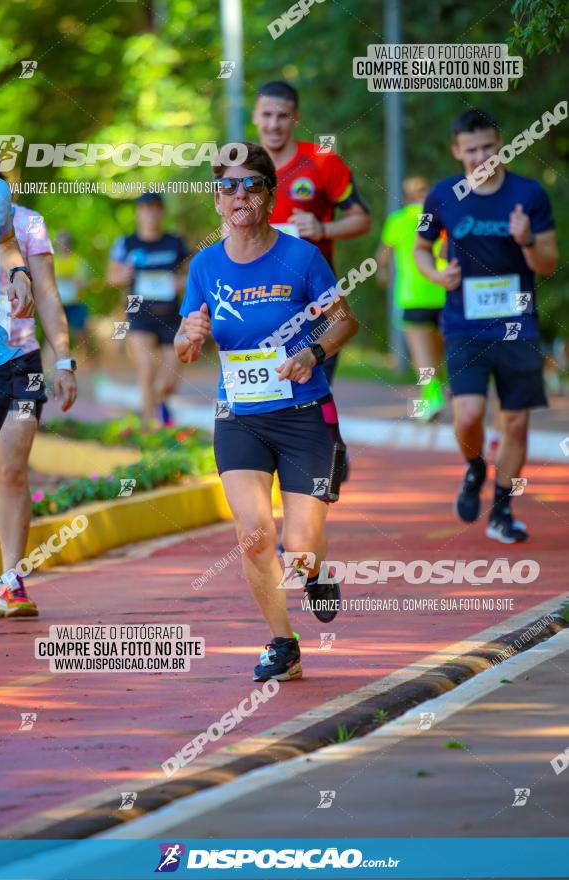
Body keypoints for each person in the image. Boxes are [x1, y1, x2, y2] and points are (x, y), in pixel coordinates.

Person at [174, 143, 358, 681]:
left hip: (304, 414)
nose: (239, 195)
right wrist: (190, 336)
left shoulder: (300, 256)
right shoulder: (205, 266)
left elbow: (343, 321)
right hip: (240, 419)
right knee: (253, 534)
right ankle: (283, 643)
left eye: (251, 185)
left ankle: (315, 569)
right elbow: (186, 348)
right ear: (216, 200)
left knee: (300, 547)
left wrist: (312, 352)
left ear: (270, 196)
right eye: (227, 186)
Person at [414, 109, 558, 543]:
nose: (481, 157)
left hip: (518, 322)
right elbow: (422, 249)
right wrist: (437, 274)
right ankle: (475, 466)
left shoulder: (529, 195)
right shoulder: (442, 196)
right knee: (469, 413)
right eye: (471, 149)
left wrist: (527, 239)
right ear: (457, 151)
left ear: (501, 145)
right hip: (464, 323)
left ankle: (502, 510)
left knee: (515, 423)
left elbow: (548, 264)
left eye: (488, 147)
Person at [0, 176, 77, 618]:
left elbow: (48, 292)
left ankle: (11, 579)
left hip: (22, 362)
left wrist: (63, 360)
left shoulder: (28, 224)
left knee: (9, 468)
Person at [252, 80, 370, 384]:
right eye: (267, 115)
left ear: (296, 119)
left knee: (315, 395)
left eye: (283, 116)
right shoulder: (243, 166)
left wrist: (322, 227)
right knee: (266, 397)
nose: (274, 124)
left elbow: (362, 220)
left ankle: (325, 431)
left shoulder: (321, 160)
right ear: (255, 116)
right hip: (256, 298)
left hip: (314, 301)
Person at [0, 129, 35, 617]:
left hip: (7, 358)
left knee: (8, 470)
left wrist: (19, 273)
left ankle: (11, 580)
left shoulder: (3, 205)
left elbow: (6, 244)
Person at [107, 192, 189, 424]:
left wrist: (180, 282)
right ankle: (148, 428)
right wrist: (124, 274)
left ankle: (159, 402)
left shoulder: (175, 242)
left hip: (171, 316)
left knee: (169, 382)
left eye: (155, 208)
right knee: (146, 369)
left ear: (162, 212)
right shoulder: (126, 243)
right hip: (139, 315)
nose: (151, 213)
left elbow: (192, 276)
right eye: (146, 208)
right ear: (138, 213)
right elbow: (112, 277)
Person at [376, 177, 446, 421]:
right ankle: (432, 398)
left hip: (411, 296)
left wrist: (383, 274)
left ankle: (433, 395)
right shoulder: (440, 216)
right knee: (437, 353)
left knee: (422, 357)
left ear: (405, 197)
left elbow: (382, 258)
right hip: (444, 292)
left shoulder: (397, 220)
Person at [52, 230, 90, 355]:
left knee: (81, 337)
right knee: (53, 337)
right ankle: (48, 370)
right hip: (57, 305)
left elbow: (84, 283)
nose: (63, 246)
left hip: (75, 304)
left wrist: (74, 281)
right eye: (60, 242)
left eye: (66, 242)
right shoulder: (51, 261)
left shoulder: (78, 261)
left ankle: (93, 368)